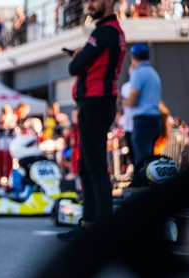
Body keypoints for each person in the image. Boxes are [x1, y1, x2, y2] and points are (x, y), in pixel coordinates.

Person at [60, 0, 125, 241]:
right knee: (88, 167)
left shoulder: (106, 31)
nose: (89, 4)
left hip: (96, 104)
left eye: (94, 0)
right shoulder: (111, 31)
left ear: (109, 2)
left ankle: (103, 230)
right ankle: (90, 224)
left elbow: (75, 67)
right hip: (99, 104)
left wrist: (78, 56)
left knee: (95, 168)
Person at [122, 43, 161, 186]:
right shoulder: (153, 73)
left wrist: (122, 100)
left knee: (141, 159)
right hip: (154, 120)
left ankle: (142, 188)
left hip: (142, 120)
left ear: (133, 56)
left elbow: (132, 101)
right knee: (149, 157)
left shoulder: (138, 73)